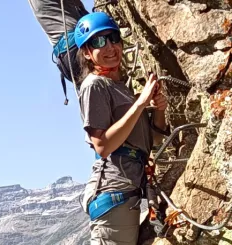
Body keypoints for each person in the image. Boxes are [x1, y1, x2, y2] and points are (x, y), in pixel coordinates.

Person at [72, 12, 169, 245]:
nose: (109, 47)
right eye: (98, 41)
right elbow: (103, 145)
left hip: (126, 191)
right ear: (86, 52)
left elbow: (153, 141)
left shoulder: (119, 88)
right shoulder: (93, 86)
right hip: (114, 191)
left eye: (113, 38)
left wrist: (158, 109)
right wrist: (140, 103)